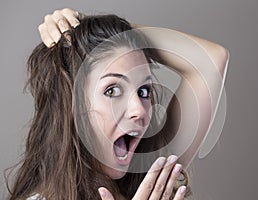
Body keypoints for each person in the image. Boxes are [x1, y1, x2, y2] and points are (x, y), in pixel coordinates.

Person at [7, 8, 229, 200]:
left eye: (144, 91)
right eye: (112, 91)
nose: (139, 110)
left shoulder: (152, 179)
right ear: (72, 105)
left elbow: (210, 59)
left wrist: (94, 28)